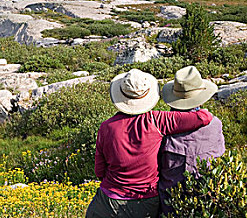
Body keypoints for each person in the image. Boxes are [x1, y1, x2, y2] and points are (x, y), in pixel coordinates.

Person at [85, 69, 214, 218]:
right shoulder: (157, 120)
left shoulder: (105, 127)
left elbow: (99, 171)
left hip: (106, 201)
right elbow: (203, 118)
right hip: (144, 202)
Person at [158, 66, 225, 217]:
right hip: (207, 200)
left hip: (170, 204)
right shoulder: (215, 124)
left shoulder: (163, 128)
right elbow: (221, 155)